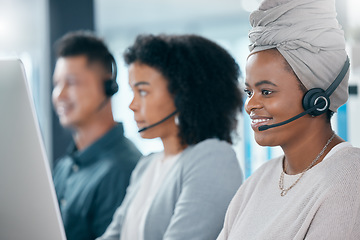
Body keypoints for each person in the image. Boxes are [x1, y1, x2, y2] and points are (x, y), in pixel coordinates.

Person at [217, 0, 360, 239]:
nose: (250, 104)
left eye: (267, 91)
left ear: (316, 99)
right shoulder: (259, 180)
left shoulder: (349, 178)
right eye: (249, 92)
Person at [97, 34, 244, 240]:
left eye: (143, 92)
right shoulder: (147, 165)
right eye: (132, 91)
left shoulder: (212, 158)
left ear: (184, 95)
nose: (132, 105)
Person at [52, 31, 142, 240]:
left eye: (72, 83)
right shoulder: (64, 167)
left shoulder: (122, 168)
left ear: (108, 86)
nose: (60, 95)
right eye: (57, 84)